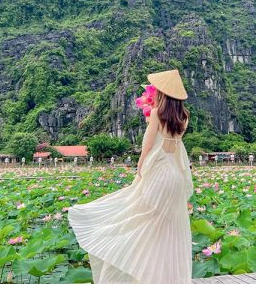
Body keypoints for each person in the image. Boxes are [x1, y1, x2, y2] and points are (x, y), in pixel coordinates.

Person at [68, 68, 194, 284]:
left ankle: (137, 272)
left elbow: (148, 144)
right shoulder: (184, 116)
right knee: (169, 229)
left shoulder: (156, 113)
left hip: (160, 174)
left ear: (163, 93)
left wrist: (140, 164)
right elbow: (173, 142)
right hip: (176, 176)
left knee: (140, 220)